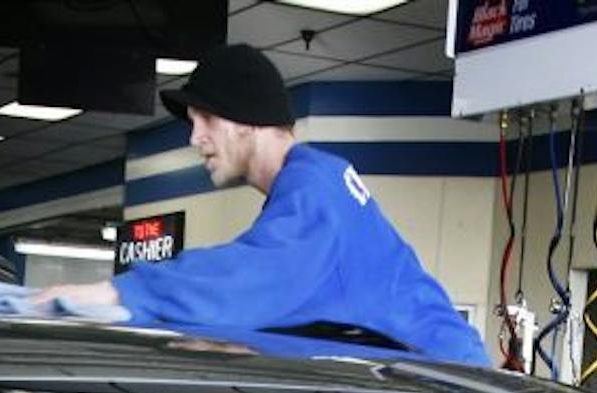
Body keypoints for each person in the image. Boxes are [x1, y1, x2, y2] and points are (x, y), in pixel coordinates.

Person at [33, 44, 488, 366]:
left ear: (247, 120)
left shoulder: (315, 190)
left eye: (206, 119)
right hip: (433, 378)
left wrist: (117, 294)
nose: (195, 139)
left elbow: (246, 280)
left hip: (449, 392)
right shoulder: (313, 183)